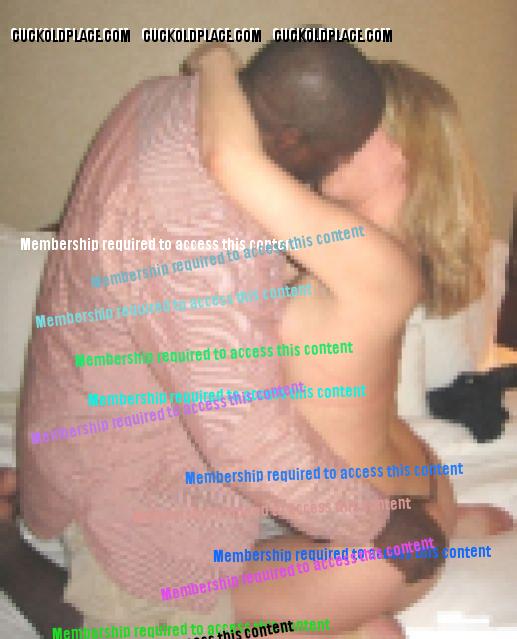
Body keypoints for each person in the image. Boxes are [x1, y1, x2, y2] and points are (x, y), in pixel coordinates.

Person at [14, 39, 398, 637]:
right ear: (291, 140)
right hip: (122, 490)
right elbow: (243, 436)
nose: (340, 165)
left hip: (91, 415)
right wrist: (375, 521)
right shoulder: (201, 233)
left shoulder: (163, 98)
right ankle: (11, 560)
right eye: (338, 152)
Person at [187, 46, 512, 638]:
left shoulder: (362, 255)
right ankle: (364, 615)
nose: (329, 138)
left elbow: (228, 157)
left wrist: (214, 64)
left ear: (405, 149)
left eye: (355, 128)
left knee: (151, 607)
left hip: (373, 545)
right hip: (421, 487)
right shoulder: (376, 246)